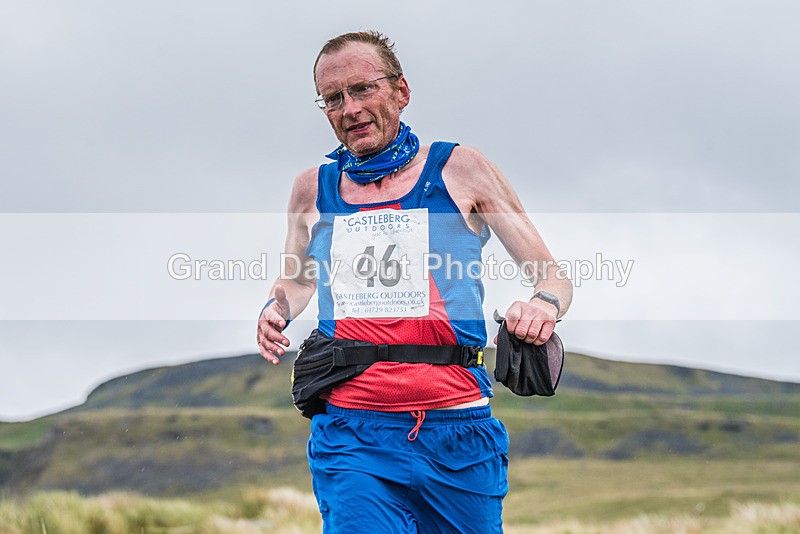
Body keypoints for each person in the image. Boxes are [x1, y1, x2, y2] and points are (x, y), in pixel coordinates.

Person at [256, 30, 573, 533]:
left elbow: (550, 274)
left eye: (363, 89)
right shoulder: (310, 190)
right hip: (352, 429)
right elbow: (297, 279)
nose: (349, 108)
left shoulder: (461, 170)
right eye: (333, 98)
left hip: (457, 427)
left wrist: (543, 304)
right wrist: (275, 309)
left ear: (401, 91)